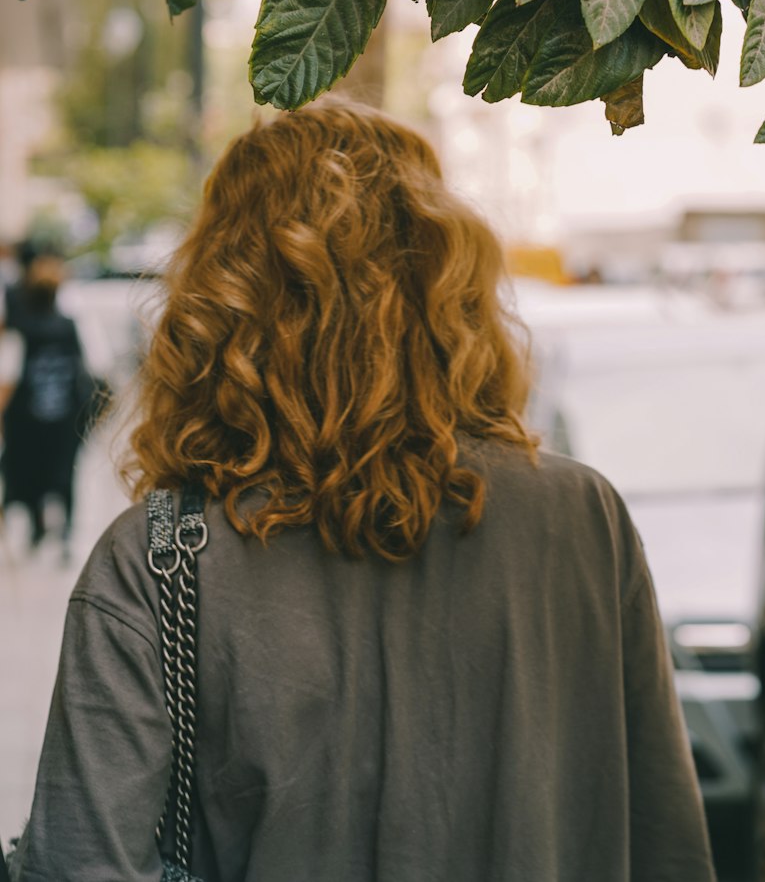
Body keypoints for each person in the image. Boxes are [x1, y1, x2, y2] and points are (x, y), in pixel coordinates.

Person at [8, 100, 715, 882]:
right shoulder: (584, 523)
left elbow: (78, 863)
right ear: (449, 285)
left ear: (220, 299)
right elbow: (668, 844)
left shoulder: (160, 561)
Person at [0, 252, 89, 551]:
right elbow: (85, 369)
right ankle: (65, 531)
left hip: (29, 416)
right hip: (64, 414)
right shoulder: (69, 325)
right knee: (65, 475)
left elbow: (9, 376)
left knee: (32, 472)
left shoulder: (22, 330)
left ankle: (38, 529)